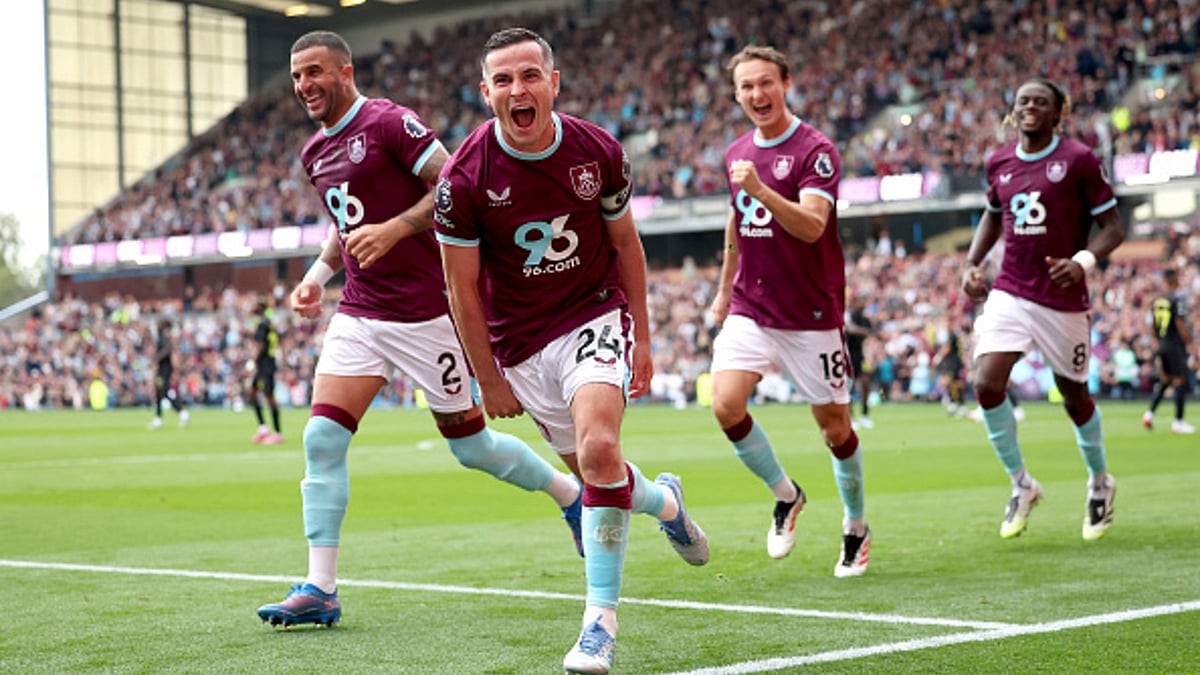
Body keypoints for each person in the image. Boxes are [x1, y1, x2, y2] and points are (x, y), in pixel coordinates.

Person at [256, 30, 584, 630]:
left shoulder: (388, 123)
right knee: (321, 439)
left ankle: (570, 496)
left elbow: (454, 186)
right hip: (361, 312)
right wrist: (316, 276)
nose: (304, 84)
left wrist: (397, 229)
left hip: (428, 314)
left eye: (314, 71)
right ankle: (320, 588)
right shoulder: (314, 153)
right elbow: (346, 222)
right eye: (297, 75)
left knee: (472, 448)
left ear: (345, 72)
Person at [434, 27, 708, 674]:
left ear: (553, 83)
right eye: (503, 80)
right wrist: (487, 377)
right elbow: (460, 288)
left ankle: (598, 625)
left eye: (530, 75)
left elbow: (626, 243)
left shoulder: (598, 151)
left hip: (593, 312)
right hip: (520, 343)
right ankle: (667, 503)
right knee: (597, 476)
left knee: (601, 450)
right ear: (485, 93)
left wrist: (642, 335)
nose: (518, 90)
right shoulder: (463, 178)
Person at [708, 45, 869, 578]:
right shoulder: (737, 151)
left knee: (835, 429)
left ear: (786, 84)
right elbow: (736, 222)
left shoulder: (815, 151)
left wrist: (760, 188)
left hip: (810, 313)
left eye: (766, 83)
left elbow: (813, 226)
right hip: (751, 305)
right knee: (725, 404)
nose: (757, 94)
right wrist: (723, 289)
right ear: (736, 94)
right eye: (746, 86)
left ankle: (855, 525)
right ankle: (785, 494)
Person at [961, 77, 1125, 542]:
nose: (1030, 106)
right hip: (1011, 289)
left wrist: (1083, 261)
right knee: (986, 383)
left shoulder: (1079, 159)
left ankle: (1100, 482)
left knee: (1074, 397)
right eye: (1023, 101)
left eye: (1040, 101)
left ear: (1058, 113)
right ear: (1013, 112)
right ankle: (1022, 484)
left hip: (1062, 298)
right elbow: (993, 214)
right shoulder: (999, 161)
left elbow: (1114, 227)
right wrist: (972, 263)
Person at [1143, 267, 1195, 434]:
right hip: (1175, 345)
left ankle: (1149, 414)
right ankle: (1178, 422)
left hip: (1162, 345)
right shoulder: (1176, 300)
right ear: (1174, 280)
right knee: (1180, 381)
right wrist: (1191, 345)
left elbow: (1153, 325)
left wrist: (1158, 342)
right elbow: (1180, 325)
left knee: (1166, 380)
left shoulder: (1158, 301)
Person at [248, 297, 284, 444]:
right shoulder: (268, 322)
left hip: (266, 364)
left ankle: (278, 433)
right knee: (252, 393)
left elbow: (262, 345)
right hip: (264, 364)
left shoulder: (263, 323)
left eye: (254, 305)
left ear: (261, 307)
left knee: (269, 397)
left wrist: (253, 361)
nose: (252, 307)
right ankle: (263, 429)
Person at [148, 318, 190, 429]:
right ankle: (159, 418)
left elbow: (168, 348)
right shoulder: (162, 337)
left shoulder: (163, 338)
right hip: (163, 370)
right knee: (159, 393)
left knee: (164, 392)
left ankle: (181, 412)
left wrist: (156, 358)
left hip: (165, 370)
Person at [845, 294, 875, 429]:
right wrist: (865, 331)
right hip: (847, 356)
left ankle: (865, 415)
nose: (863, 305)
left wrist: (870, 356)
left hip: (861, 356)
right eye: (860, 302)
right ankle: (850, 417)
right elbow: (849, 329)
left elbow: (870, 337)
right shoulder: (848, 316)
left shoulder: (865, 320)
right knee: (849, 388)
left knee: (865, 385)